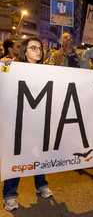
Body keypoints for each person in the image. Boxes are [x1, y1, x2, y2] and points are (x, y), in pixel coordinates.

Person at [1, 36, 53, 211]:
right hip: (17, 122)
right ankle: (9, 195)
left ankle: (41, 185)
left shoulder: (47, 71)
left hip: (38, 121)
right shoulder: (12, 67)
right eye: (34, 48)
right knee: (16, 156)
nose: (38, 51)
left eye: (40, 48)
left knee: (39, 155)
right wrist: (3, 66)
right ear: (24, 50)